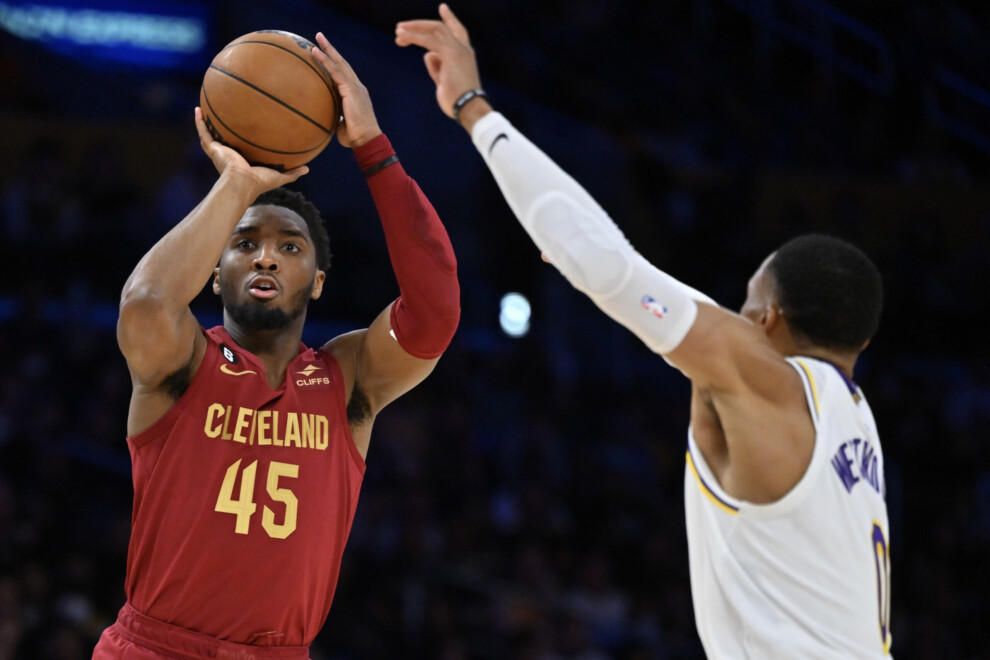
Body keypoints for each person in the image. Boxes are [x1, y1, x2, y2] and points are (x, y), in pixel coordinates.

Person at [396, 5, 891, 658]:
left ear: (768, 318)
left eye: (745, 307)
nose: (735, 319)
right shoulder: (857, 424)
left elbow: (602, 263)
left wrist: (471, 107)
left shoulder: (769, 383)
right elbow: (607, 264)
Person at [93, 32, 460, 659]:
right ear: (215, 274)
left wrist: (373, 147)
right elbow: (147, 303)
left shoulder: (347, 380)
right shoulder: (181, 363)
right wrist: (237, 184)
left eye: (290, 247)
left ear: (317, 282)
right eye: (244, 244)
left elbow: (434, 314)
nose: (265, 256)